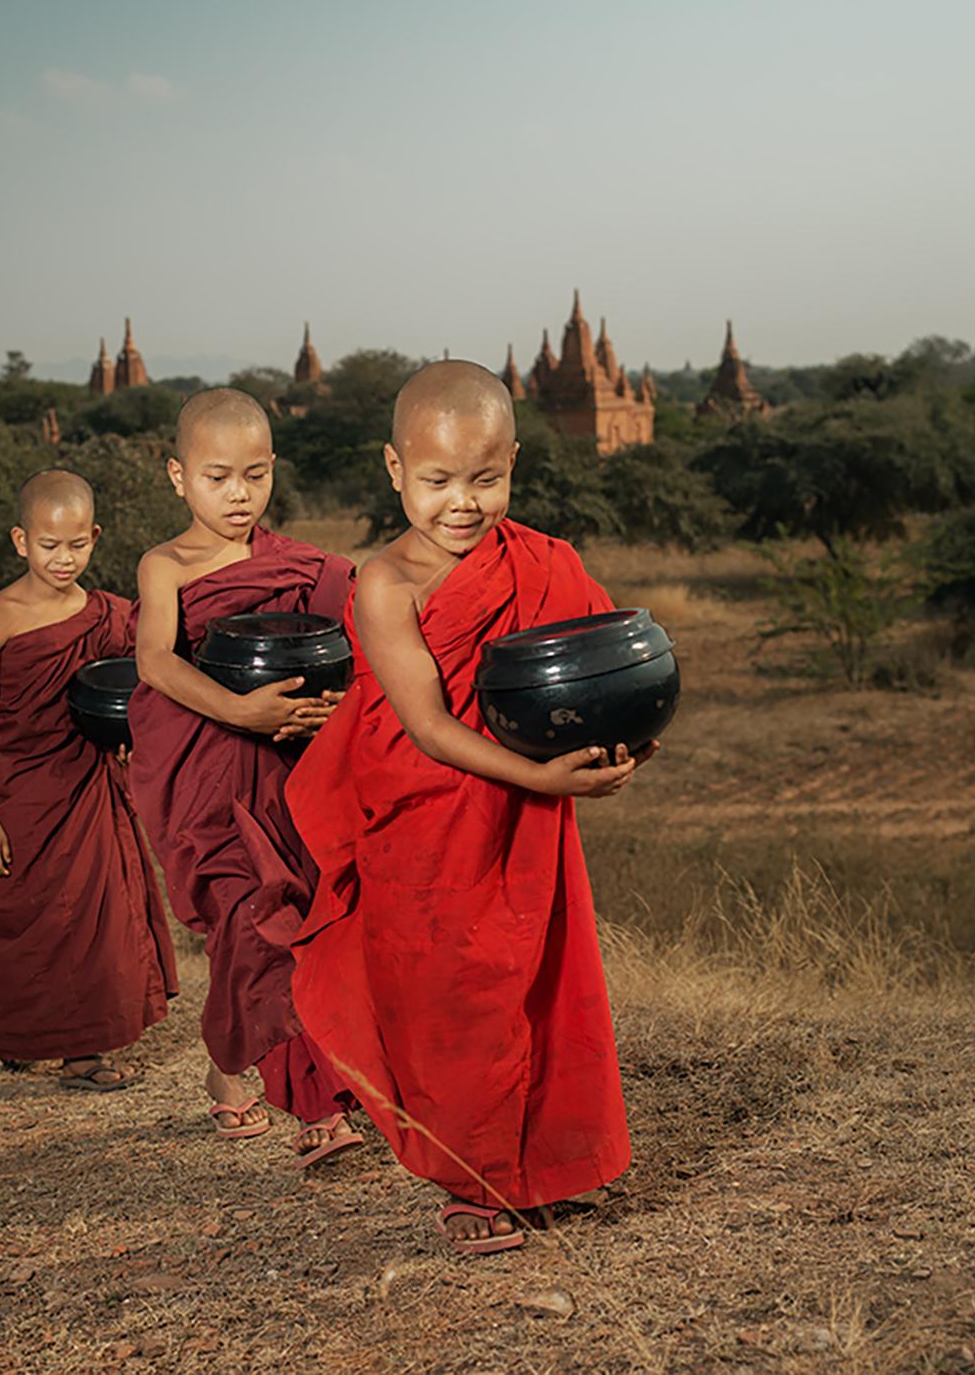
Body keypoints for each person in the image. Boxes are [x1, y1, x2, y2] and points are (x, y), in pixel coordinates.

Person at [288, 360, 655, 1253]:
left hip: (524, 817)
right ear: (393, 470)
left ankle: (540, 1169)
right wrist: (545, 779)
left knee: (532, 989)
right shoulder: (384, 583)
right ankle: (472, 1185)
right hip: (426, 819)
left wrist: (623, 746)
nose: (463, 502)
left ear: (515, 466)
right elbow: (424, 726)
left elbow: (607, 672)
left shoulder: (544, 563)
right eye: (437, 480)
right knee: (453, 999)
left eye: (485, 480)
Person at [127, 389, 364, 1169]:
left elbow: (343, 656)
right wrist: (240, 711)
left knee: (296, 920)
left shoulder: (303, 566)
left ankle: (265, 1079)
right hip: (210, 777)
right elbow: (156, 661)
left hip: (294, 774)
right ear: (177, 475)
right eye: (218, 476)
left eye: (255, 476)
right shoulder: (164, 564)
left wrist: (315, 716)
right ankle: (294, 1092)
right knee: (248, 919)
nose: (239, 495)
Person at [0, 471, 178, 1086]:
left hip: (88, 786)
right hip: (21, 789)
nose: (65, 558)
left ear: (95, 537)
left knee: (93, 919)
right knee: (25, 919)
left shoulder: (107, 614)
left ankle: (86, 1052)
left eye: (77, 544)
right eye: (50, 545)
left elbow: (131, 697)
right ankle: (26, 1029)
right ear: (20, 540)